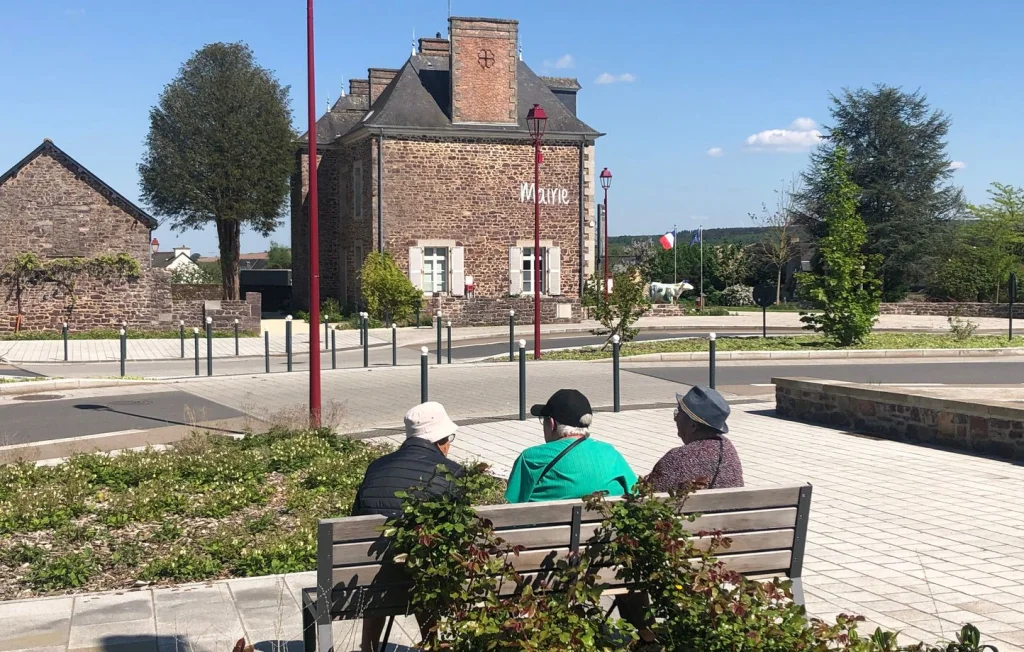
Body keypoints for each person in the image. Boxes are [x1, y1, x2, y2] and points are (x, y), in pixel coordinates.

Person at [352, 401, 463, 651]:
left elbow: (355, 521)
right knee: (425, 566)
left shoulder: (376, 467)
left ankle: (368, 646)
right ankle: (432, 644)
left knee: (382, 566)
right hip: (423, 584)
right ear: (440, 440)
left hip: (372, 581)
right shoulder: (452, 473)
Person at [505, 389, 637, 503]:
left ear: (551, 423)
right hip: (606, 531)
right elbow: (636, 492)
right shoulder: (610, 453)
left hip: (546, 532)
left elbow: (513, 507)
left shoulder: (531, 459)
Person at [648, 385, 744, 492]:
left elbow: (647, 496)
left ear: (693, 426)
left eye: (678, 412)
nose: (675, 418)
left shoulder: (677, 459)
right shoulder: (727, 448)